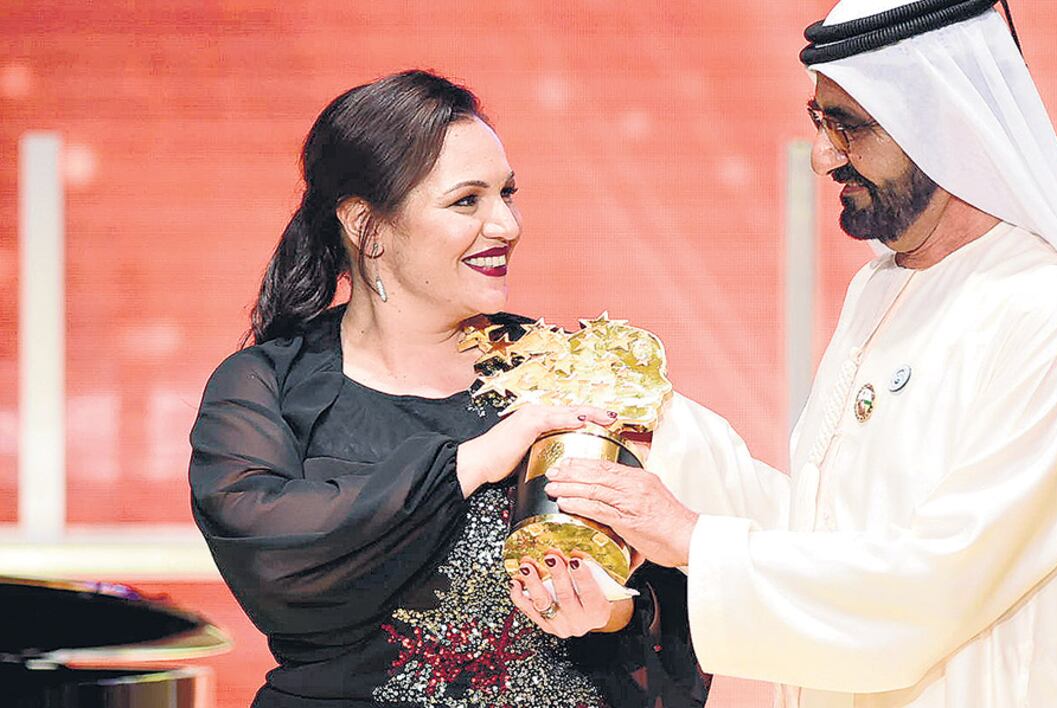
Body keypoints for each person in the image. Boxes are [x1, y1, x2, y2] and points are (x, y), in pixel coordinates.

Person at [543, 1, 1057, 706]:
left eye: (848, 126)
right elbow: (819, 531)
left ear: (945, 121)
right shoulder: (879, 287)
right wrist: (655, 426)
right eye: (819, 121)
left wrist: (693, 538)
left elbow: (932, 585)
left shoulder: (1041, 310)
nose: (822, 157)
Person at [188, 70, 707, 707]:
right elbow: (275, 559)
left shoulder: (568, 369)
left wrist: (607, 611)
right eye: (467, 201)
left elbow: (666, 581)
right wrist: (474, 461)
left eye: (507, 194)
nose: (506, 224)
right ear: (366, 226)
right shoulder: (268, 385)